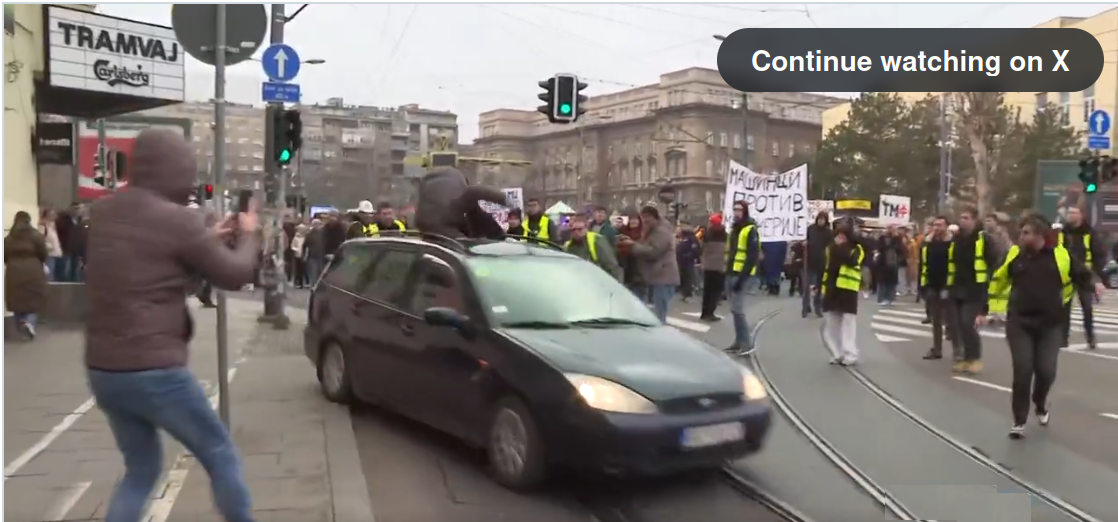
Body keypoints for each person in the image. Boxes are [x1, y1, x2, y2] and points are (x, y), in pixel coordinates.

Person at [84, 128, 261, 522]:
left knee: (141, 470)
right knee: (219, 453)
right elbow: (235, 275)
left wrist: (205, 237)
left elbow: (144, 261)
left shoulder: (104, 211)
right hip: (154, 368)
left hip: (104, 368)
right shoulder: (178, 220)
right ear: (177, 168)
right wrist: (249, 235)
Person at [981, 213, 1103, 439]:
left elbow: (1082, 274)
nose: (1021, 236)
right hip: (1020, 322)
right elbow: (998, 280)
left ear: (1039, 236)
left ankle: (1039, 402)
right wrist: (988, 309)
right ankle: (1019, 420)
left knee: (1046, 371)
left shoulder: (1060, 256)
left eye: (1026, 233)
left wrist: (1095, 283)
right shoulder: (1015, 255)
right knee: (1023, 370)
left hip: (1051, 324)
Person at [946, 205, 1001, 374]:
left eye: (966, 218)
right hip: (957, 287)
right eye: (960, 218)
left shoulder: (984, 239)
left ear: (974, 220)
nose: (962, 221)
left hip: (975, 289)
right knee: (957, 325)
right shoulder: (957, 239)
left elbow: (994, 262)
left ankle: (974, 359)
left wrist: (989, 286)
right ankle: (964, 359)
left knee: (967, 323)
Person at [619, 206, 679, 324]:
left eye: (647, 218)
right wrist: (633, 242)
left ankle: (660, 336)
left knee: (659, 314)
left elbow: (653, 251)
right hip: (655, 276)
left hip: (663, 276)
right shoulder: (652, 230)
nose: (644, 221)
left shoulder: (661, 231)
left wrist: (632, 245)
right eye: (643, 217)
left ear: (655, 217)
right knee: (654, 312)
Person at [1057, 206, 1105, 350]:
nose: (1071, 215)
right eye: (1069, 213)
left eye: (1074, 213)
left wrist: (1097, 277)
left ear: (1081, 215)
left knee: (1087, 308)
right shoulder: (1063, 232)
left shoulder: (1089, 232)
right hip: (1067, 274)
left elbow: (1098, 254)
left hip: (1085, 274)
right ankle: (1063, 338)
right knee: (1065, 308)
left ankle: (1090, 337)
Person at [820, 221, 865, 366]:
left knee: (848, 323)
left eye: (843, 235)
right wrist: (821, 285)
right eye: (838, 235)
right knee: (831, 323)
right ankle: (837, 353)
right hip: (832, 287)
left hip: (848, 288)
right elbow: (826, 266)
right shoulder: (830, 248)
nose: (840, 238)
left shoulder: (857, 248)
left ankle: (850, 354)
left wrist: (841, 247)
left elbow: (852, 262)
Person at [724, 200, 760, 353]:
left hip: (742, 274)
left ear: (745, 211)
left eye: (739, 209)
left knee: (738, 309)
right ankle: (738, 341)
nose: (736, 212)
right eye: (735, 209)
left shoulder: (750, 229)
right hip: (732, 271)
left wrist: (742, 277)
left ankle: (747, 344)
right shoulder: (734, 229)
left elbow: (752, 256)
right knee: (733, 309)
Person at [5, 211, 48, 339]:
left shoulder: (9, 238)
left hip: (13, 270)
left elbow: (4, 255)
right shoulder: (36, 236)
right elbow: (43, 252)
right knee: (33, 298)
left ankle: (21, 323)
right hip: (33, 268)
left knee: (16, 299)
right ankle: (28, 322)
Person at [919, 216, 953, 360]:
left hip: (948, 283)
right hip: (932, 283)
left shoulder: (953, 242)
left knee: (952, 319)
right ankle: (937, 349)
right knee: (936, 319)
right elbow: (923, 263)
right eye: (935, 225)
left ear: (946, 226)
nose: (937, 228)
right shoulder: (928, 242)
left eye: (940, 225)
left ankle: (958, 349)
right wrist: (922, 285)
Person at [564, 214, 621, 281]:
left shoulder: (596, 240)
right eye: (573, 230)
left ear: (586, 229)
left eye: (579, 229)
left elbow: (612, 266)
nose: (576, 232)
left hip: (598, 280)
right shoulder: (568, 246)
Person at [699, 213, 728, 322]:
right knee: (715, 291)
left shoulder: (706, 234)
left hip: (708, 265)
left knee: (707, 291)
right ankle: (710, 312)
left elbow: (700, 247)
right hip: (719, 266)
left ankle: (704, 312)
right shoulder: (725, 234)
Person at [804, 212, 832, 318]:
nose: (821, 221)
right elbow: (805, 239)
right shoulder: (810, 229)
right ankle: (806, 305)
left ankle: (817, 305)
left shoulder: (828, 232)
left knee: (819, 285)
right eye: (819, 219)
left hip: (821, 261)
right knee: (808, 284)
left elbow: (830, 246)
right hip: (809, 260)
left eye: (823, 219)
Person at [616, 211, 646, 300]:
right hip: (625, 262)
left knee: (638, 290)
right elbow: (617, 244)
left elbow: (644, 247)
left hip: (639, 264)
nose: (633, 222)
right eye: (631, 220)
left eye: (635, 220)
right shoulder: (623, 230)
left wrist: (631, 243)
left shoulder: (643, 232)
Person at [874, 225, 906, 305]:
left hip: (893, 262)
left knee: (892, 282)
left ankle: (891, 299)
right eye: (889, 229)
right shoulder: (882, 238)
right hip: (883, 262)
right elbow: (879, 248)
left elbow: (900, 249)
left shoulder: (897, 239)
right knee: (882, 282)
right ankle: (881, 298)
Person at [675, 225, 701, 302]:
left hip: (688, 261)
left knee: (688, 278)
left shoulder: (691, 239)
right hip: (681, 260)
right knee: (683, 277)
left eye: (679, 230)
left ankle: (688, 294)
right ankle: (684, 293)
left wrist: (688, 256)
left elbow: (695, 250)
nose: (677, 232)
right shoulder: (682, 239)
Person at [38, 208, 64, 281]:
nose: (54, 216)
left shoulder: (53, 226)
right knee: (50, 275)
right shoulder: (43, 226)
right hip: (49, 254)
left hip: (56, 253)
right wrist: (49, 246)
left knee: (56, 276)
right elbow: (41, 239)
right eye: (52, 214)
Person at [290, 224, 309, 289]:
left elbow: (307, 246)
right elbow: (292, 246)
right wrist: (297, 250)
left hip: (305, 255)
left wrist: (306, 253)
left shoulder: (306, 237)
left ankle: (307, 283)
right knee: (298, 270)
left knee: (305, 270)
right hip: (297, 255)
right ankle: (299, 283)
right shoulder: (296, 237)